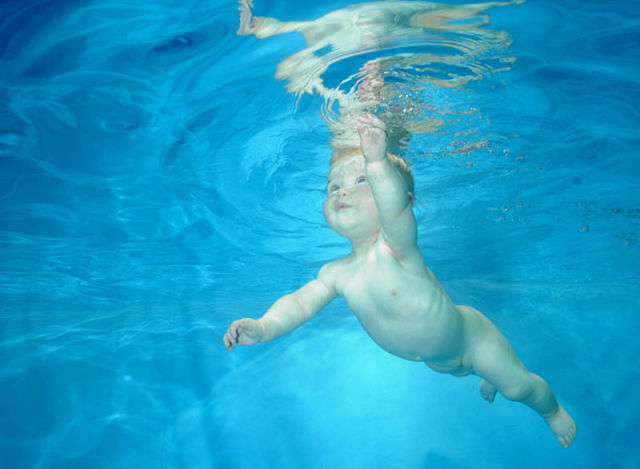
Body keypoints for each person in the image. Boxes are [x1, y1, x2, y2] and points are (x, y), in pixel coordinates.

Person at [224, 0, 577, 449]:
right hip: (437, 356)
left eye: (359, 181)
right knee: (468, 372)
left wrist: (376, 161)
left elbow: (392, 206)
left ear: (399, 195)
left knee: (516, 388)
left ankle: (551, 409)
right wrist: (264, 326)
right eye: (331, 187)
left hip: (471, 336)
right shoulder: (336, 274)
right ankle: (479, 377)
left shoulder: (397, 245)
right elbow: (298, 304)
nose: (340, 190)